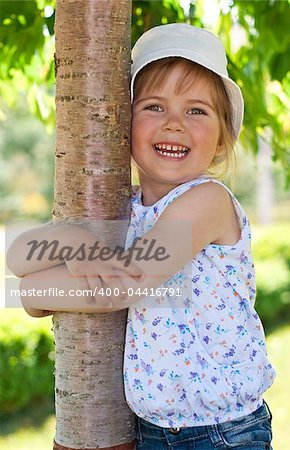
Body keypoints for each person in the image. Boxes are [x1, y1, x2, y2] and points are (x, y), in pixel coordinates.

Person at [7, 23, 276, 449]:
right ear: (124, 125)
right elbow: (18, 256)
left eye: (196, 110)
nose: (174, 124)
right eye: (154, 107)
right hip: (152, 432)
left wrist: (33, 290)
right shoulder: (125, 209)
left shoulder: (207, 201)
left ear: (222, 142)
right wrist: (75, 241)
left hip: (222, 434)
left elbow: (122, 285)